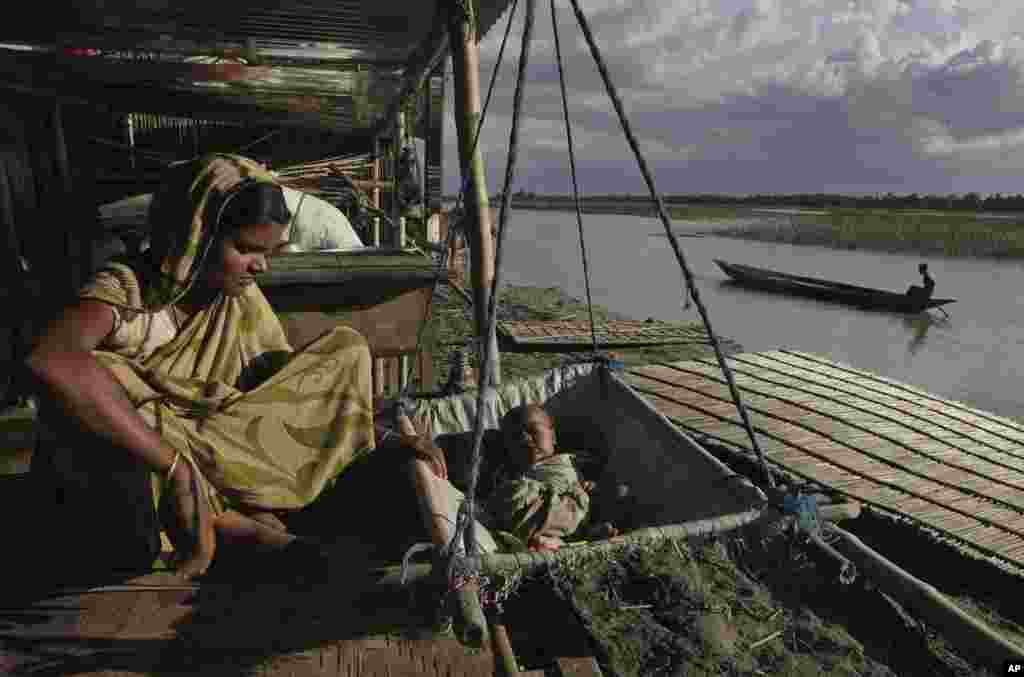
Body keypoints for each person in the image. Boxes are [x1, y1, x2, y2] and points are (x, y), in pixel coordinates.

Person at [26, 154, 393, 580]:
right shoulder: (128, 290)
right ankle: (235, 526)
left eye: (267, 251)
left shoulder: (237, 300)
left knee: (347, 351)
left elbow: (277, 390)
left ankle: (244, 512)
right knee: (112, 384)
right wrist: (174, 465)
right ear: (196, 235)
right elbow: (50, 359)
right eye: (245, 248)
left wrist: (384, 434)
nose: (261, 265)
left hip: (217, 442)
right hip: (149, 456)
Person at [406, 403, 595, 554]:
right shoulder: (503, 466)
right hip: (523, 526)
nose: (524, 438)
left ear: (553, 436)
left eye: (533, 430)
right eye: (515, 436)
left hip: (561, 511)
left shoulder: (567, 464)